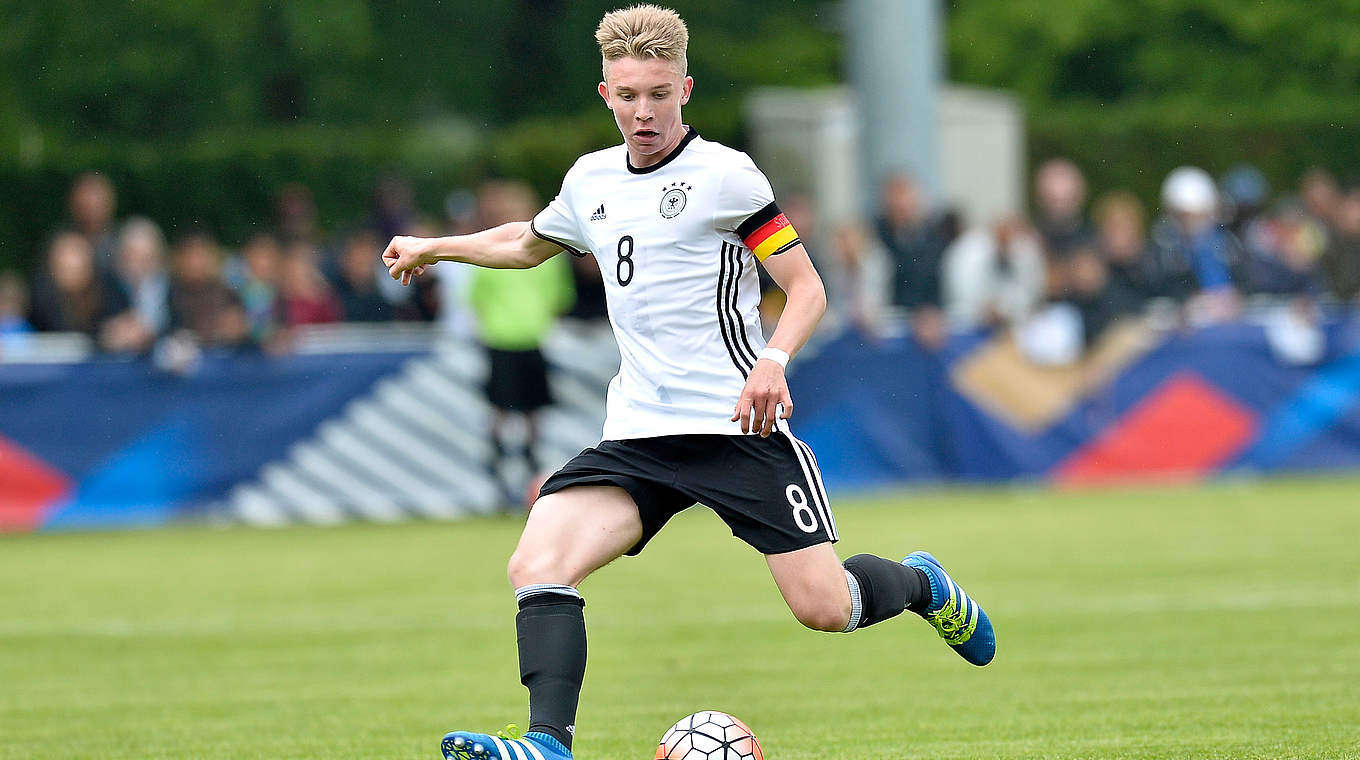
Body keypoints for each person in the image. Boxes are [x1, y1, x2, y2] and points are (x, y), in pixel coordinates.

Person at [381, 7, 995, 760]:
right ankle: (546, 744)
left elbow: (806, 288)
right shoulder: (591, 180)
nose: (644, 112)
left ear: (685, 89)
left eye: (660, 94)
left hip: (736, 427)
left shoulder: (726, 178)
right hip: (638, 435)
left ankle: (924, 585)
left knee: (825, 608)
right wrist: (435, 248)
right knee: (537, 562)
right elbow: (525, 242)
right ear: (606, 92)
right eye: (630, 94)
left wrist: (773, 361)